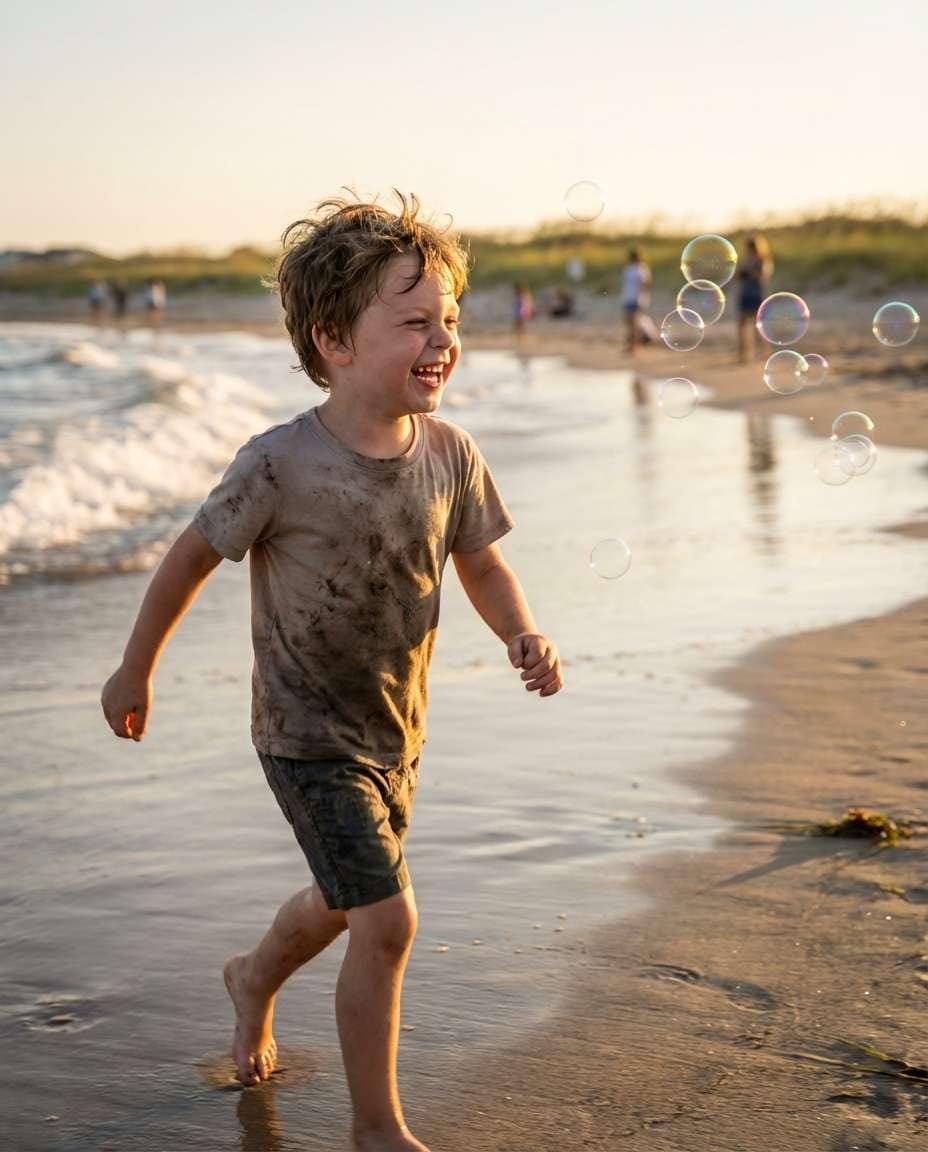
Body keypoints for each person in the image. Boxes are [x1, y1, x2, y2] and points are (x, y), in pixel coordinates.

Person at [100, 193, 563, 1152]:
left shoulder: (452, 455)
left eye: (451, 321)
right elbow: (189, 557)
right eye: (413, 321)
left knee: (347, 901)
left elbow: (480, 561)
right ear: (334, 341)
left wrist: (522, 632)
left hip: (397, 729)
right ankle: (375, 1128)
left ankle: (252, 977)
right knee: (388, 920)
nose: (443, 339)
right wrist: (134, 668)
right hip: (305, 734)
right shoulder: (279, 464)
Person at [736, 234, 773, 362]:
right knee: (742, 325)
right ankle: (743, 354)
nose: (747, 250)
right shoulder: (744, 260)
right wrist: (741, 271)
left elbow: (762, 275)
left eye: (749, 247)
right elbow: (737, 276)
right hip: (745, 294)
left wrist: (748, 270)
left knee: (758, 326)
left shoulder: (762, 260)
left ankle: (764, 352)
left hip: (756, 295)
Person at [620, 248, 655, 354]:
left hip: (637, 299)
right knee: (629, 324)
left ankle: (636, 347)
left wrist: (643, 298)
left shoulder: (642, 269)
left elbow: (647, 284)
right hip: (627, 298)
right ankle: (631, 345)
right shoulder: (628, 269)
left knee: (635, 324)